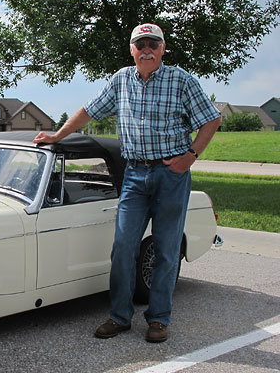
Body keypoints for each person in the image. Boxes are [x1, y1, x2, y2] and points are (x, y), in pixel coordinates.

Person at [34, 23, 221, 343]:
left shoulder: (181, 80)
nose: (146, 49)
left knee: (165, 249)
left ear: (163, 48)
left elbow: (211, 118)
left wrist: (190, 156)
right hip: (134, 174)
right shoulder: (121, 79)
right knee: (122, 248)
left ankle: (159, 319)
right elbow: (87, 111)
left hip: (171, 175)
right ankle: (120, 316)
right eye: (140, 44)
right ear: (132, 49)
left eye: (153, 43)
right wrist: (57, 135)